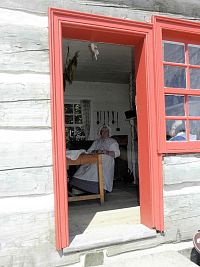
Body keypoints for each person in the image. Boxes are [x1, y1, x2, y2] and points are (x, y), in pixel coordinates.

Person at [69, 125, 120, 194]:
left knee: (95, 168)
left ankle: (98, 189)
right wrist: (96, 151)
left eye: (106, 131)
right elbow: (89, 151)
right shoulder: (97, 141)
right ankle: (80, 188)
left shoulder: (112, 141)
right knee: (84, 166)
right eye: (103, 131)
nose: (104, 132)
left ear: (109, 132)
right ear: (100, 132)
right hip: (94, 158)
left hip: (106, 161)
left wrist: (104, 152)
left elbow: (117, 153)